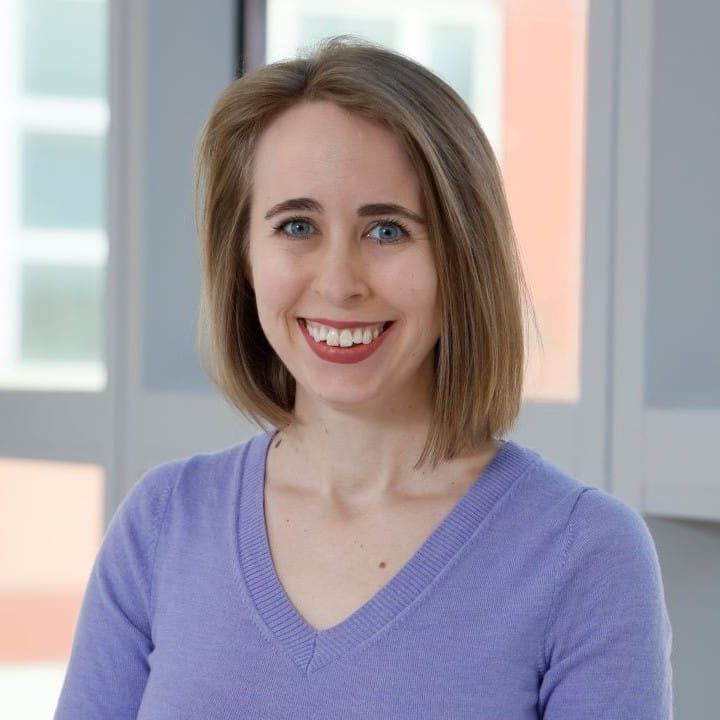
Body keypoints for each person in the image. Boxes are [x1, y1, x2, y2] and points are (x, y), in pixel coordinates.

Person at [55, 38, 673, 719]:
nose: (340, 283)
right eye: (297, 226)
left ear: (462, 257)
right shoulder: (163, 523)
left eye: (387, 231)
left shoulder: (584, 555)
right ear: (243, 257)